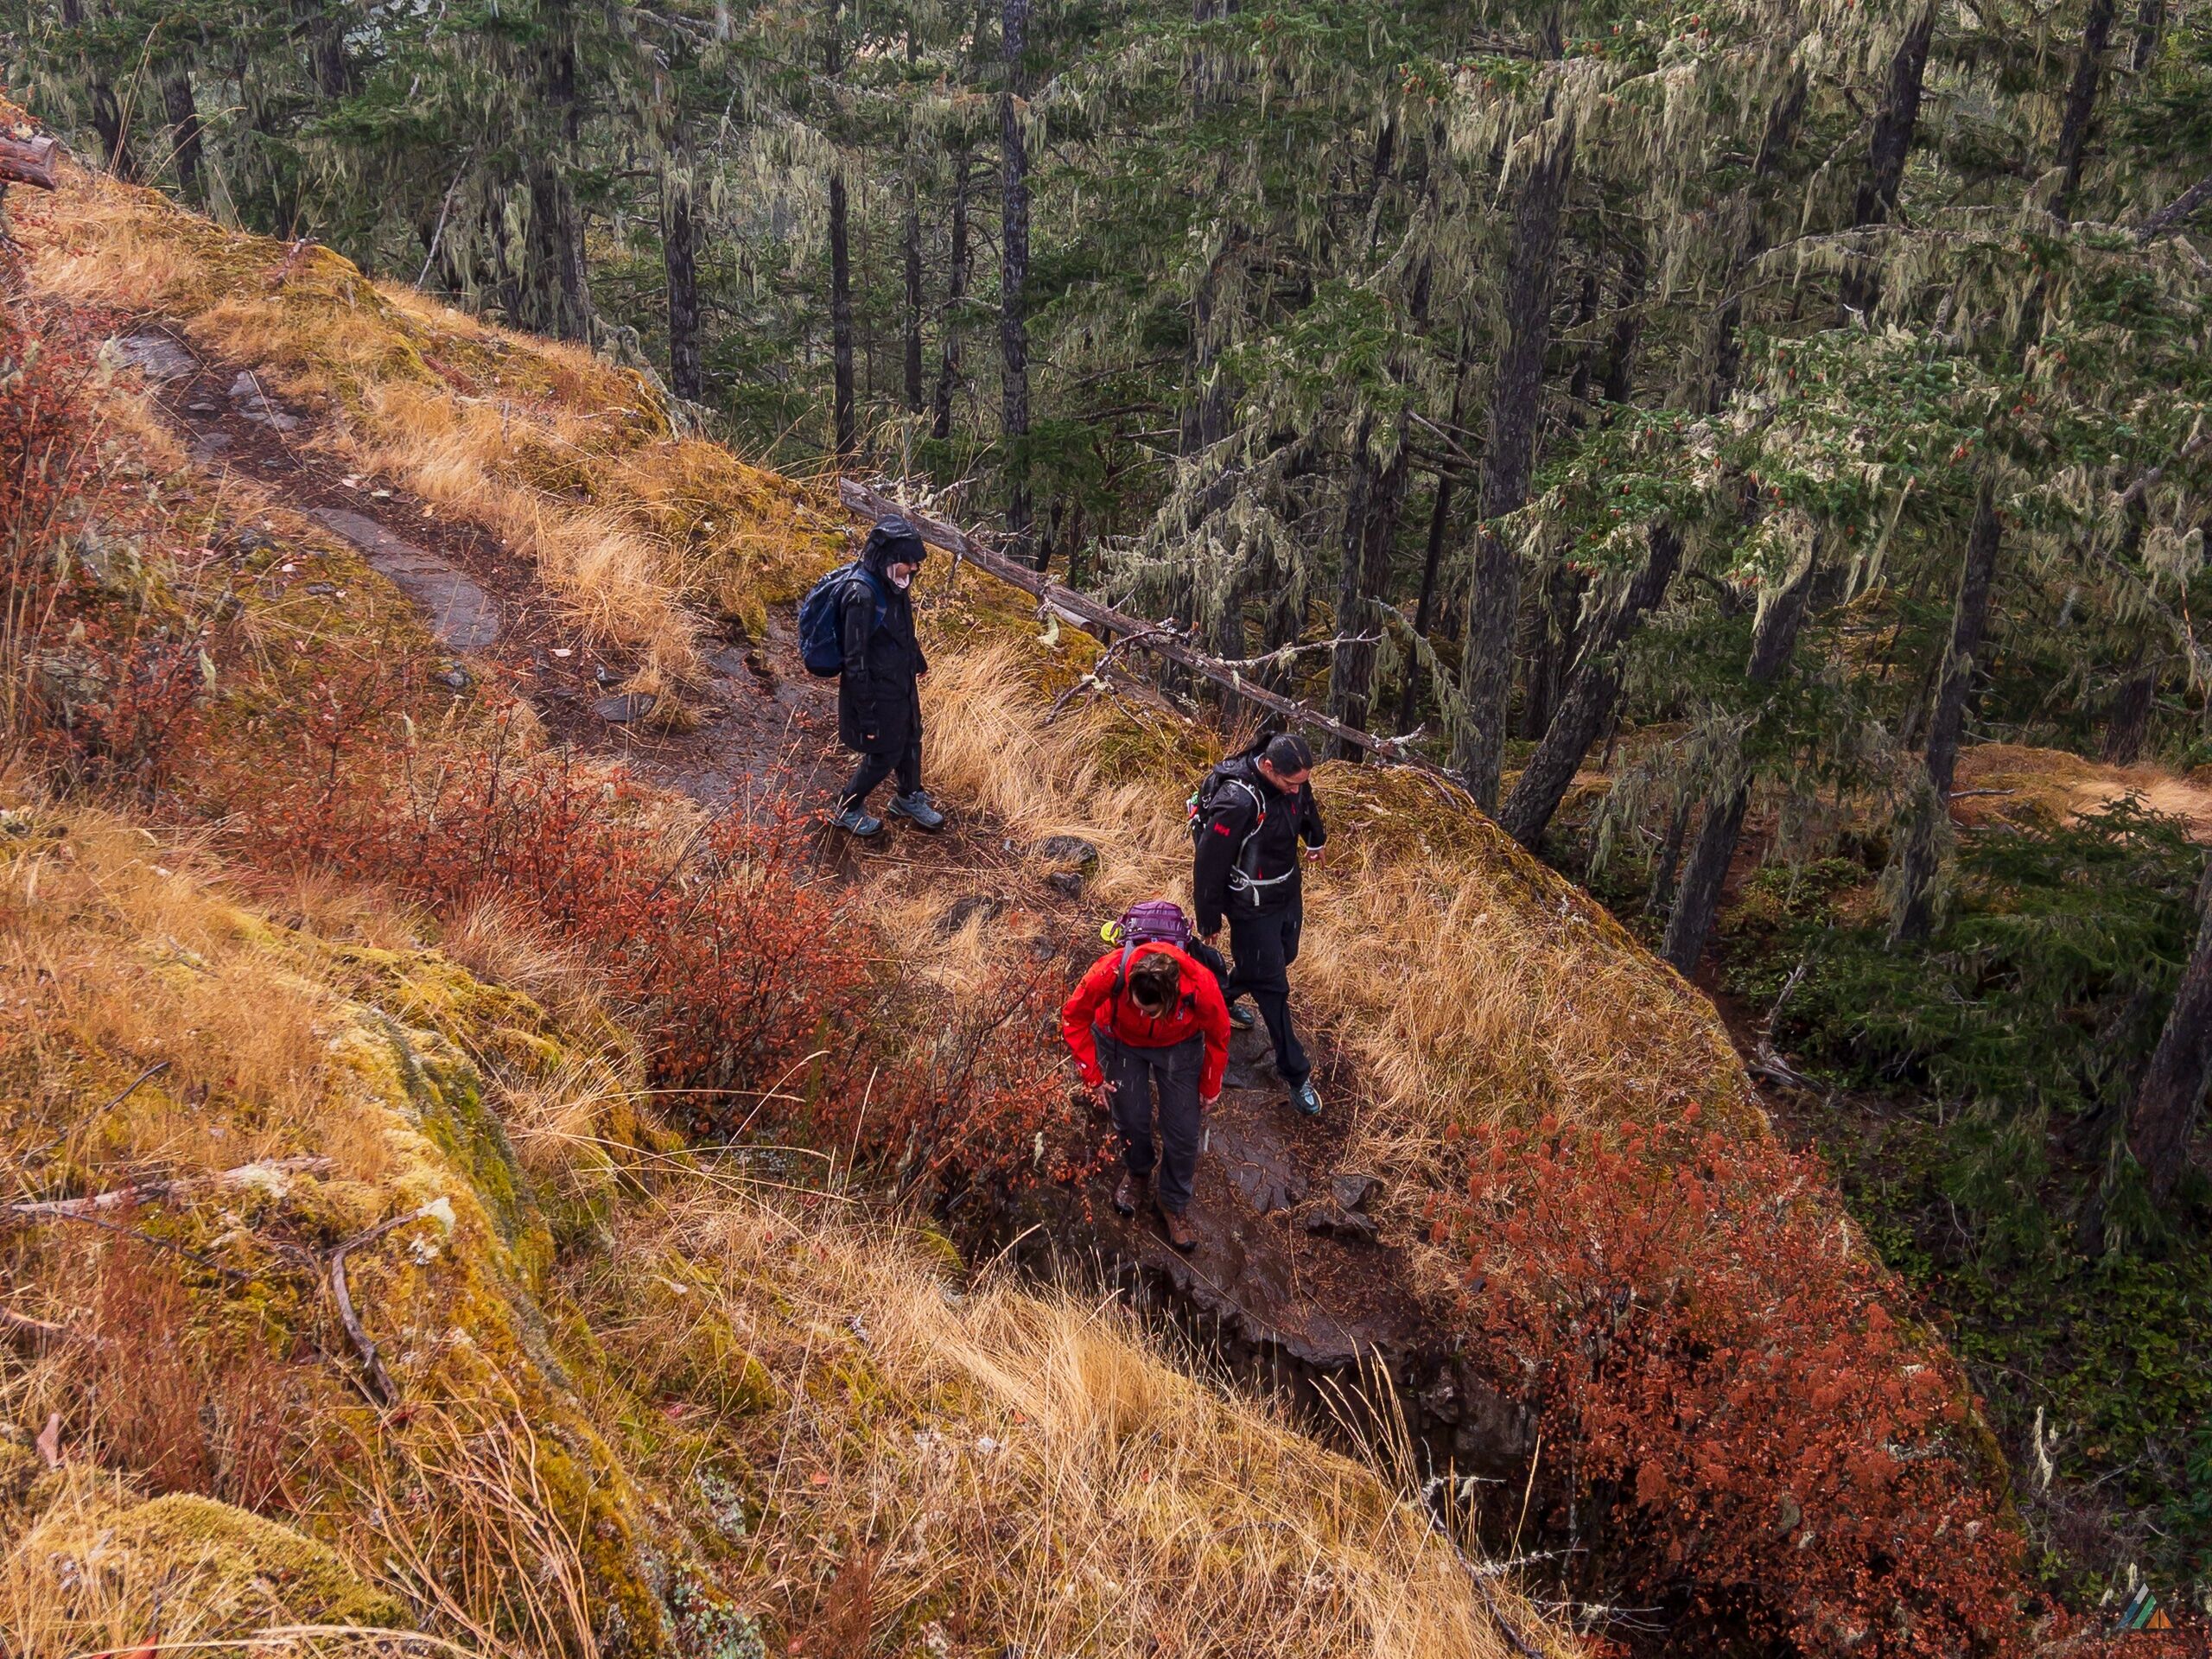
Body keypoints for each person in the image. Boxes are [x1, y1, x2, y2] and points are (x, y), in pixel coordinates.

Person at [1060, 931, 1231, 1252]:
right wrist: (1092, 1076)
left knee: (1183, 1132)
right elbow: (1074, 1016)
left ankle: (1172, 1202)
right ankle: (1138, 1172)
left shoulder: (1200, 985)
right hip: (1120, 1040)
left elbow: (1219, 1033)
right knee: (1130, 1116)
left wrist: (1211, 1084)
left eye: (1150, 1011)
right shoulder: (1109, 972)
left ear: (1172, 998)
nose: (1142, 1013)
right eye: (1137, 1004)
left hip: (1179, 1046)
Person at [1192, 731, 1327, 1116]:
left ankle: (1222, 997)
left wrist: (1315, 839)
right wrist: (1209, 919)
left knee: (1285, 954)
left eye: (1301, 781)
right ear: (1268, 767)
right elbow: (1209, 863)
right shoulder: (1237, 802)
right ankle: (1295, 1073)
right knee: (1274, 988)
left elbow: (1304, 802)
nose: (1296, 790)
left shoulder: (1291, 780)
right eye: (1290, 782)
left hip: (1285, 890)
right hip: (1250, 906)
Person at [831, 518, 944, 837]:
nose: (913, 569)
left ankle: (908, 797)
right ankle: (846, 807)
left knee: (911, 737)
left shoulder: (894, 584)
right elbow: (854, 660)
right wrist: (866, 715)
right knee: (884, 753)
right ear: (888, 559)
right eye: (908, 563)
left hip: (901, 683)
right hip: (875, 692)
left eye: (914, 562)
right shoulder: (861, 595)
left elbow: (902, 627)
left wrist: (917, 658)